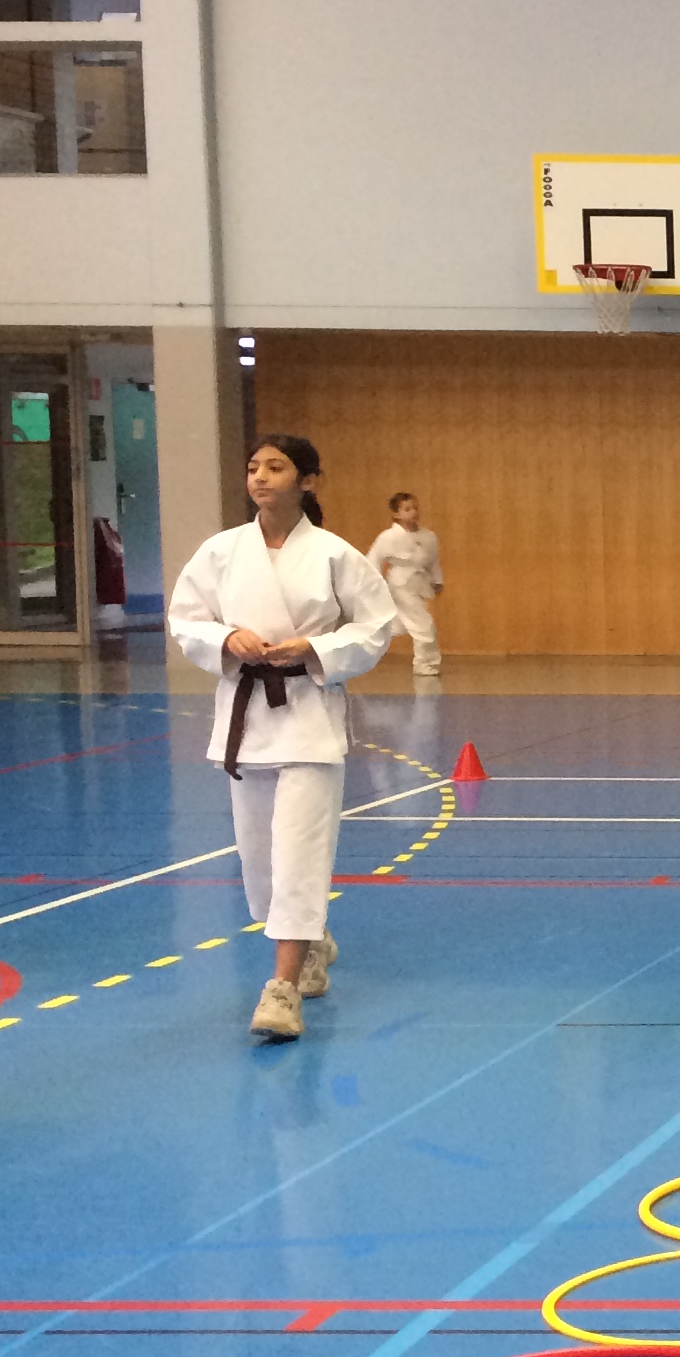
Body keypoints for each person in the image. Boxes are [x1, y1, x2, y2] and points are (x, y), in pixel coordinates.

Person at [166, 435, 400, 1041]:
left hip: (309, 717)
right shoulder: (221, 551)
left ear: (307, 481)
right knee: (260, 863)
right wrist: (225, 638)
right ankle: (311, 940)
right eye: (253, 467)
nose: (261, 477)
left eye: (276, 467)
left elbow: (377, 625)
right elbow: (185, 617)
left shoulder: (333, 554)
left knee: (299, 854)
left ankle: (281, 989)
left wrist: (315, 647)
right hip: (247, 719)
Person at [368, 491, 445, 678]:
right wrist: (374, 586)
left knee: (398, 625)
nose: (413, 512)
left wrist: (437, 580)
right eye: (407, 509)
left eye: (415, 508)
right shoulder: (388, 537)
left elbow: (432, 562)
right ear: (396, 514)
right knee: (423, 625)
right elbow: (372, 560)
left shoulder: (428, 536)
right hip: (400, 584)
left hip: (419, 583)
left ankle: (361, 643)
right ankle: (425, 664)